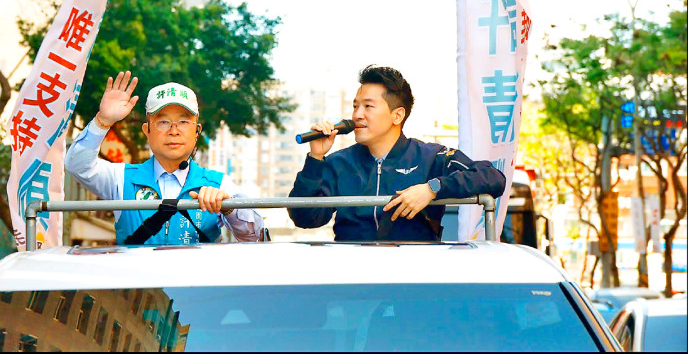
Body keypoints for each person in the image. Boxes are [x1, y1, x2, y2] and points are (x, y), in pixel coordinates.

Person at [288, 65, 506, 242]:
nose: (357, 115)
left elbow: (492, 177)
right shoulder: (339, 162)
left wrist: (432, 189)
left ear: (397, 115)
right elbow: (305, 218)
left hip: (412, 274)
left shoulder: (431, 156)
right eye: (355, 106)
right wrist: (315, 158)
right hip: (353, 273)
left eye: (368, 106)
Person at [65, 71, 264, 244]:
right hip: (136, 278)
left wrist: (228, 207)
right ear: (147, 131)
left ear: (197, 131)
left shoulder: (218, 184)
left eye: (183, 122)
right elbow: (77, 165)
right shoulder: (121, 178)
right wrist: (102, 121)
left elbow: (256, 238)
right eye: (163, 122)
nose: (174, 131)